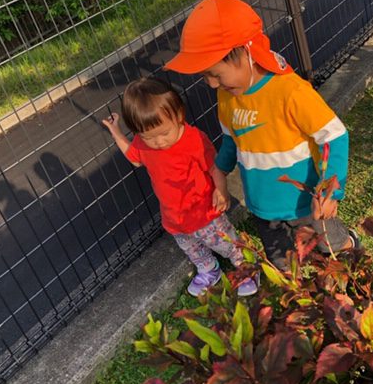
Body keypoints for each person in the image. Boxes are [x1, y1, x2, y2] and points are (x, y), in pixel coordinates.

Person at [164, 0, 359, 269]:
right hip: (263, 206)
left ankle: (350, 245)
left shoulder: (289, 91)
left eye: (216, 74)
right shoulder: (227, 95)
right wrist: (219, 172)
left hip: (307, 203)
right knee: (283, 264)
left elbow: (334, 136)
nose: (212, 84)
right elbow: (231, 139)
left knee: (331, 246)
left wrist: (330, 191)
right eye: (205, 76)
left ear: (246, 53)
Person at [103, 76, 258, 296]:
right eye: (148, 137)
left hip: (203, 209)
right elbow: (135, 158)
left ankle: (246, 265)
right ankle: (208, 269)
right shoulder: (143, 144)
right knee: (191, 247)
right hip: (174, 216)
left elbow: (215, 167)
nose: (159, 142)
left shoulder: (194, 140)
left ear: (178, 115)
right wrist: (116, 132)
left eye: (164, 133)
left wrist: (221, 190)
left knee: (224, 240)